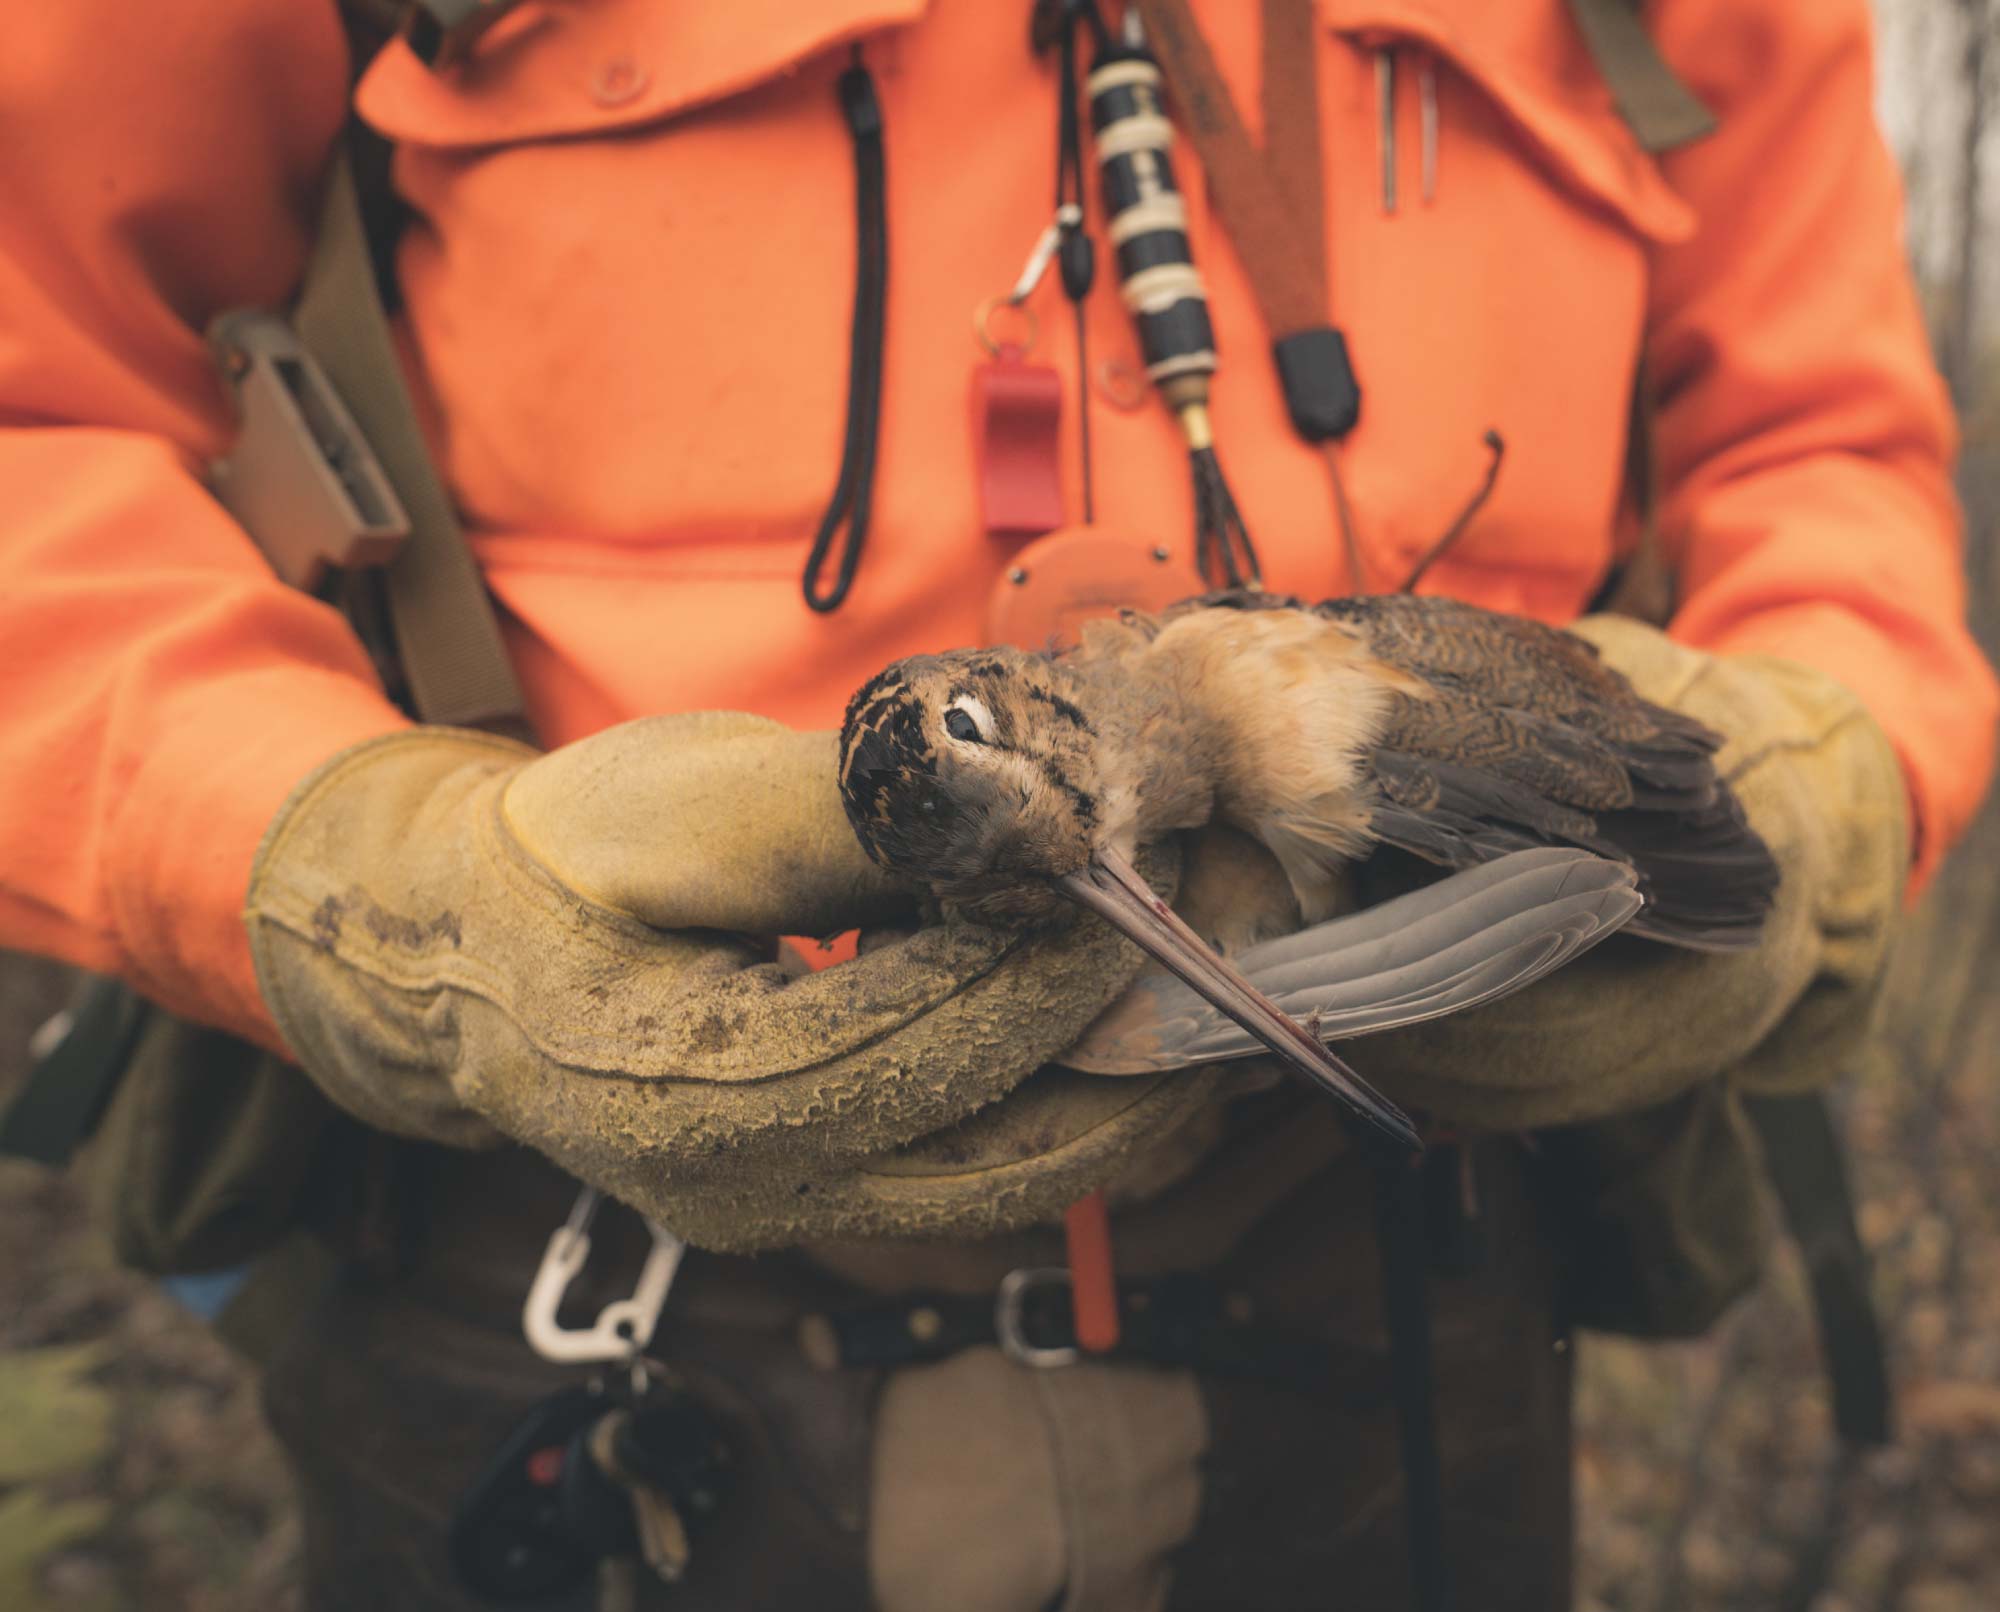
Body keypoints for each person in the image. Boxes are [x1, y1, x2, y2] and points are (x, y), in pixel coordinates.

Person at [1, 1, 1993, 1608]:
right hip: (574, 1297)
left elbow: (1815, 434)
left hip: (1403, 1281)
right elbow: (42, 408)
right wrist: (377, 874)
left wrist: (1810, 789)